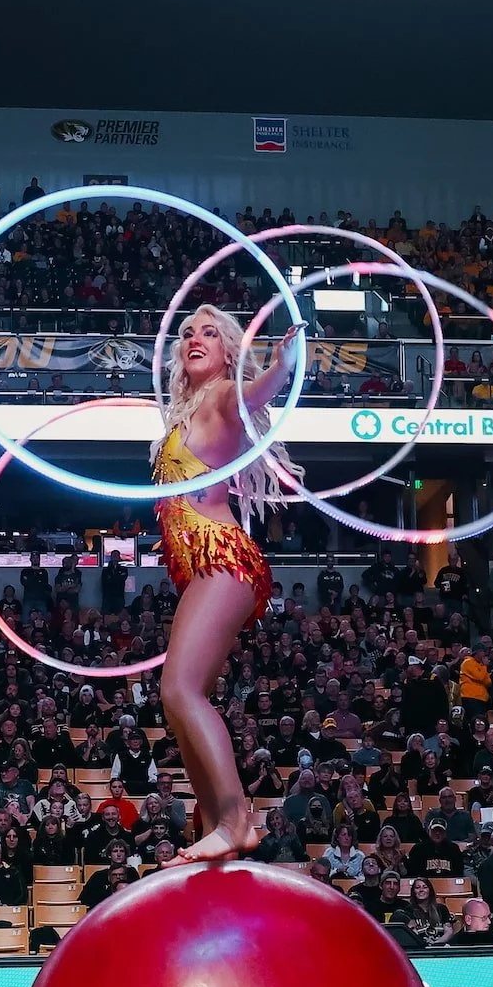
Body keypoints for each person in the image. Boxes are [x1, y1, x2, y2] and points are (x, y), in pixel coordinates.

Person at [148, 303, 303, 863]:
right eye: (188, 332)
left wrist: (283, 366)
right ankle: (217, 825)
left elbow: (251, 395)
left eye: (209, 333)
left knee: (178, 690)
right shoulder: (184, 411)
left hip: (224, 559)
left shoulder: (218, 395)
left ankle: (235, 819)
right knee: (180, 699)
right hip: (209, 567)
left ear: (228, 351)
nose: (195, 338)